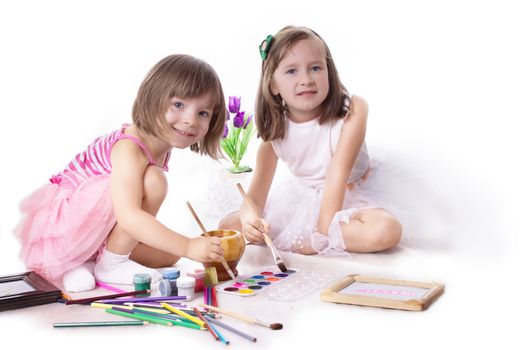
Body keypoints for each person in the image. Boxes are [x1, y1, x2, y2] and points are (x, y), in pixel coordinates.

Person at [14, 54, 227, 292]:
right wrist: (188, 246)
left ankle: (100, 259)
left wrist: (183, 248)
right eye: (178, 105)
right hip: (65, 229)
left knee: (168, 256)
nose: (190, 120)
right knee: (155, 182)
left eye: (203, 113)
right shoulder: (129, 147)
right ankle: (104, 263)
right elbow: (129, 217)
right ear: (152, 98)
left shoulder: (160, 145)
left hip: (97, 229)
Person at [219, 26, 402, 255]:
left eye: (315, 68)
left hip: (349, 197)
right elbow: (254, 198)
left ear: (329, 72)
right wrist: (250, 221)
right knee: (230, 226)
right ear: (273, 85)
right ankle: (295, 235)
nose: (306, 79)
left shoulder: (353, 111)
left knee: (385, 230)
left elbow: (337, 176)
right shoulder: (273, 138)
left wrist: (320, 236)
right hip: (304, 198)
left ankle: (308, 239)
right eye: (291, 71)